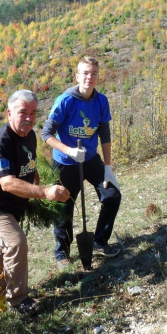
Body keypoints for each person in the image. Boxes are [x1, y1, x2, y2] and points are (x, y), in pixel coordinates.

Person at [0, 89, 70, 315]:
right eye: (23, 112)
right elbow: (7, 183)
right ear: (9, 113)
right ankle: (18, 300)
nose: (29, 118)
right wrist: (44, 192)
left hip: (14, 203)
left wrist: (35, 183)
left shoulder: (29, 135)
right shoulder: (1, 142)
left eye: (33, 113)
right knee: (15, 243)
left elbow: (29, 164)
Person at [41, 56, 122, 268]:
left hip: (91, 159)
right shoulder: (65, 101)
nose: (90, 77)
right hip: (66, 163)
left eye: (94, 73)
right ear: (77, 76)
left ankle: (99, 241)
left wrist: (108, 167)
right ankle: (62, 254)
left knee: (112, 195)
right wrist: (68, 150)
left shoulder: (101, 101)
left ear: (98, 76)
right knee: (63, 210)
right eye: (85, 73)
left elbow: (104, 133)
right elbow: (46, 134)